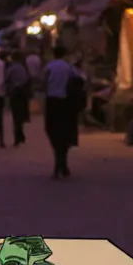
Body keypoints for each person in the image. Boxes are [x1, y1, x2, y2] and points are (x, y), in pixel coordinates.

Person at [43, 46, 81, 178]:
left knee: (52, 130)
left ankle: (59, 161)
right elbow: (79, 80)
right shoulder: (68, 67)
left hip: (51, 101)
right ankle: (62, 162)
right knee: (65, 132)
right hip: (65, 103)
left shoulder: (49, 67)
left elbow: (43, 83)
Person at [6, 50, 31, 146]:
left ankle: (18, 136)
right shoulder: (23, 68)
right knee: (21, 114)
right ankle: (20, 134)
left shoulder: (11, 68)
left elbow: (7, 79)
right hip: (23, 93)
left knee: (16, 116)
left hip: (15, 93)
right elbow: (27, 79)